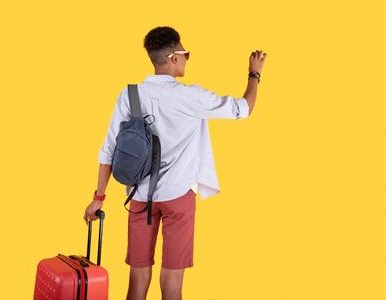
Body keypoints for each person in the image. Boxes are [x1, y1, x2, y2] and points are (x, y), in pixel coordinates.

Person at [83, 26, 267, 300]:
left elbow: (108, 150)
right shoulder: (191, 96)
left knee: (137, 280)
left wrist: (98, 197)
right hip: (179, 198)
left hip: (139, 198)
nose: (186, 58)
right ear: (173, 57)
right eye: (185, 53)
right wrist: (254, 74)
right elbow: (244, 108)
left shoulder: (130, 95)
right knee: (172, 282)